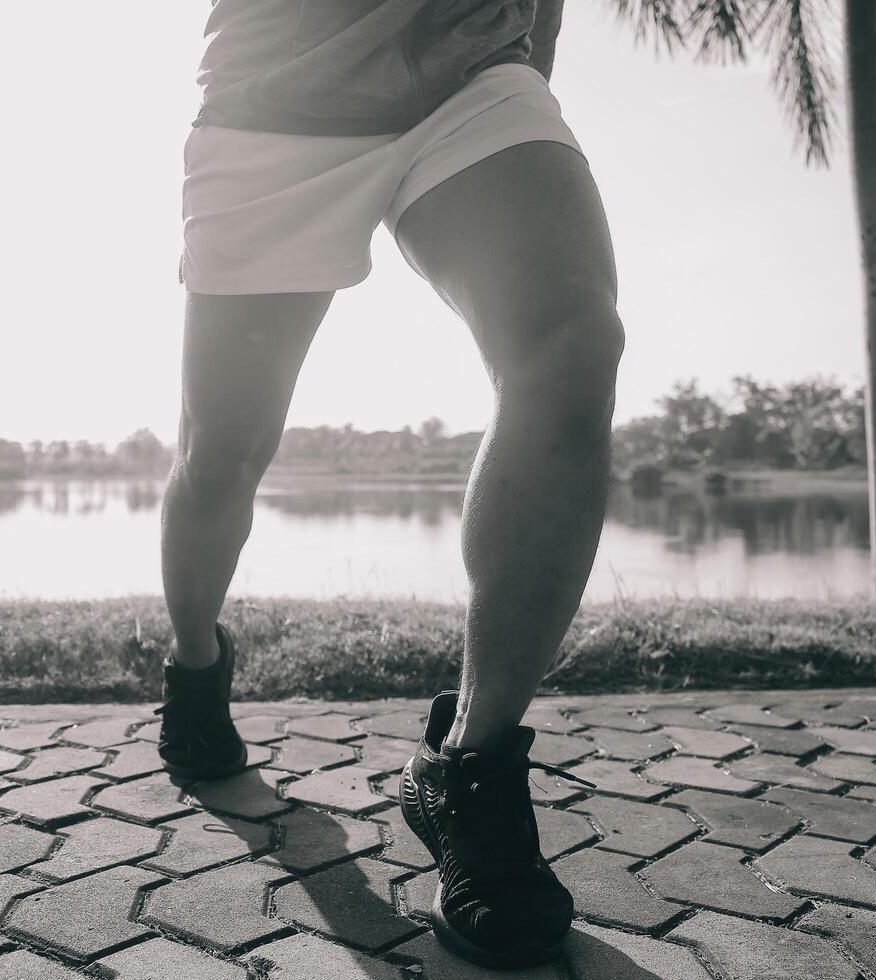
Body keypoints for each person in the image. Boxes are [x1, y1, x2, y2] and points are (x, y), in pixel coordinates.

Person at [155, 0, 623, 967]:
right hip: (274, 101)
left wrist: (527, 63)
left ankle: (472, 768)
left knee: (574, 344)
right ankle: (195, 666)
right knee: (223, 453)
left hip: (472, 80)